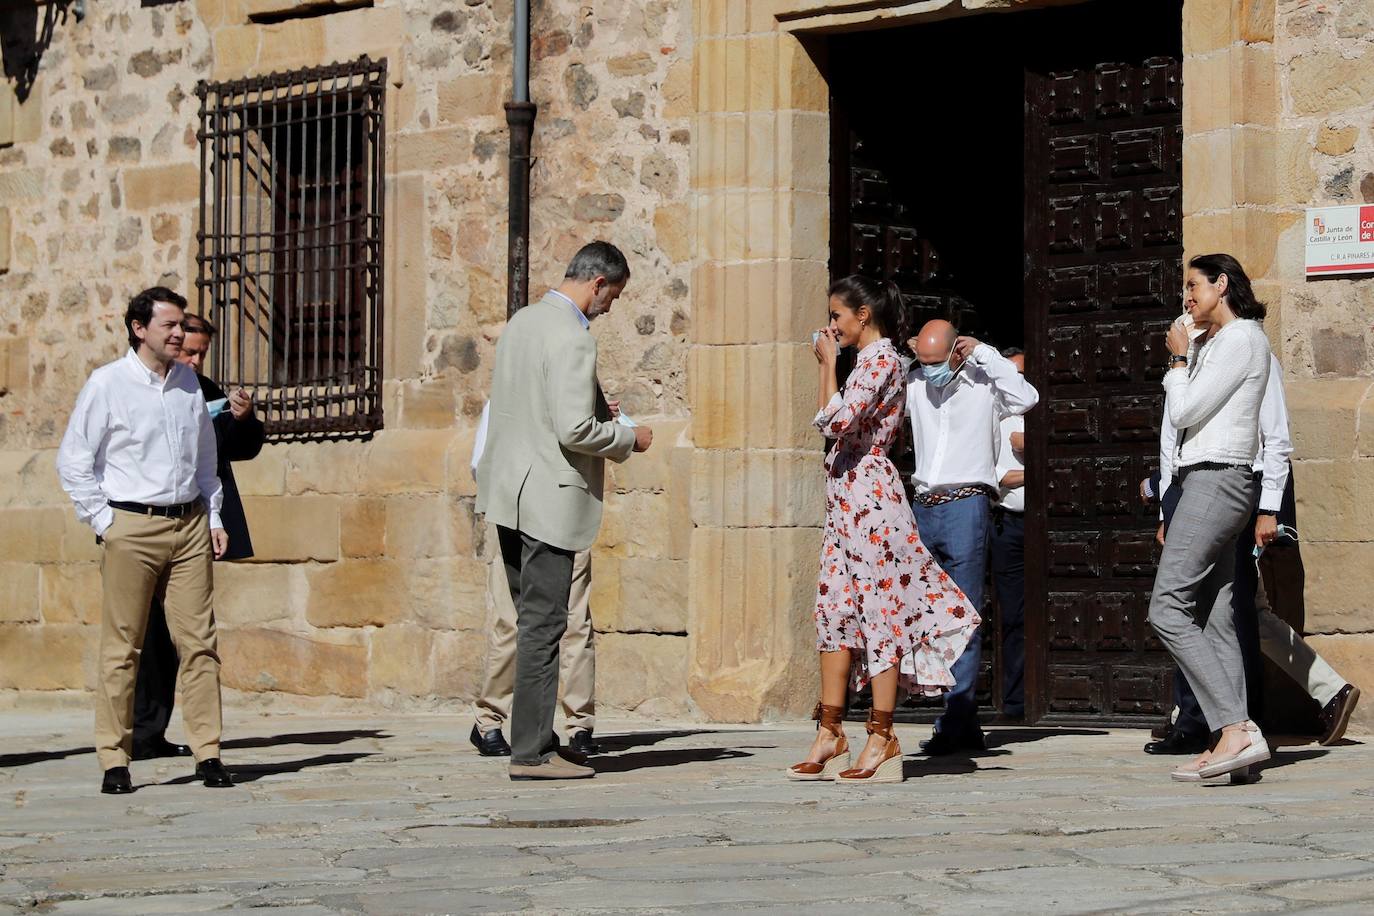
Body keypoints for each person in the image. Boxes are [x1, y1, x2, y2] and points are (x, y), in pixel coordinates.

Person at [789, 275, 980, 784]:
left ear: (862, 316)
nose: (832, 325)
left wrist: (828, 365)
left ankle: (882, 733)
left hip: (872, 500)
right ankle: (830, 728)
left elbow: (835, 422)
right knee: (833, 608)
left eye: (837, 316)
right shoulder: (866, 363)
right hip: (845, 499)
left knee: (879, 610)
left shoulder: (882, 360)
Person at [475, 241, 652, 781]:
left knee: (531, 620)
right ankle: (532, 752)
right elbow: (573, 429)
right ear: (598, 282)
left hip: (507, 492)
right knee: (545, 624)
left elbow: (527, 406)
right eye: (613, 296)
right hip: (549, 499)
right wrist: (628, 438)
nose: (610, 308)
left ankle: (537, 737)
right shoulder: (574, 337)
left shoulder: (523, 322)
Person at [56, 287, 233, 794]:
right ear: (139, 329)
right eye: (169, 326)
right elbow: (74, 460)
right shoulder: (107, 384)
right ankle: (114, 757)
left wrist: (214, 516)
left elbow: (205, 460)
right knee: (123, 648)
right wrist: (104, 522)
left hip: (190, 525)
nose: (179, 333)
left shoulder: (188, 385)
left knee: (200, 645)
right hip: (131, 525)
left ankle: (209, 753)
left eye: (182, 325)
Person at [1143, 356, 1360, 753]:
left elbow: (1272, 434)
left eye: (1194, 289)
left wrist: (1268, 508)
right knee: (1240, 607)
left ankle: (1214, 722)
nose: (1188, 303)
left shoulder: (1250, 351)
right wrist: (1166, 503)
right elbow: (1173, 435)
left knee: (1213, 606)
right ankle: (1325, 691)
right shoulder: (1200, 356)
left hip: (1239, 488)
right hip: (1197, 491)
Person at [1148, 253, 1272, 783]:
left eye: (1194, 286)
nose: (1186, 297)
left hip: (1219, 478)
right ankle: (1237, 748)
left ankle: (1234, 727)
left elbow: (1186, 413)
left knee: (1168, 607)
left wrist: (1177, 363)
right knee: (1217, 616)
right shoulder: (1215, 343)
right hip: (1207, 479)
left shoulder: (1243, 338)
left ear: (1222, 285)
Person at [131, 314, 264, 761]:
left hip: (193, 524)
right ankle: (140, 731)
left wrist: (243, 419)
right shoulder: (133, 386)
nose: (195, 358)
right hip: (142, 525)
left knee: (189, 632)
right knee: (143, 633)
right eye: (189, 350)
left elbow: (236, 449)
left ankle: (176, 736)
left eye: (202, 352)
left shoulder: (200, 389)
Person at [905, 320, 1039, 754]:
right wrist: (910, 361)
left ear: (956, 351)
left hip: (967, 507)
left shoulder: (985, 383)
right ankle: (946, 711)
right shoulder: (915, 379)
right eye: (922, 364)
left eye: (935, 363)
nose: (929, 372)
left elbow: (1027, 397)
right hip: (923, 507)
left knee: (961, 612)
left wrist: (985, 352)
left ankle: (958, 717)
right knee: (926, 616)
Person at [469, 403, 601, 759]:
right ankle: (489, 720)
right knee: (512, 622)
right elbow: (481, 463)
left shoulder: (573, 395)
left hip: (567, 519)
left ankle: (580, 725)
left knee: (576, 622)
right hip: (521, 522)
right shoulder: (504, 399)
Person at [991, 347, 1027, 722]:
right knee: (1013, 615)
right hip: (1009, 523)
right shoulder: (995, 418)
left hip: (1044, 525)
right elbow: (997, 478)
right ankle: (1014, 702)